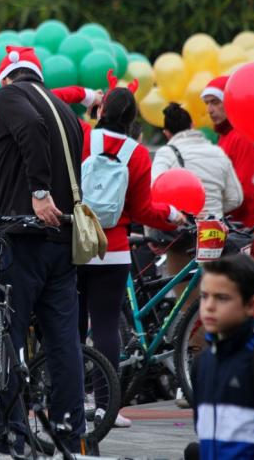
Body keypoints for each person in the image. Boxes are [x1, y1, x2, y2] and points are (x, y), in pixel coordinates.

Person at [0, 45, 84, 453]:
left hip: (24, 236)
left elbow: (26, 126)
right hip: (62, 240)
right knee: (64, 342)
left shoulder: (11, 95)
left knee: (10, 335)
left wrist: (39, 190)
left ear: (8, 78)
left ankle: (15, 432)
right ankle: (70, 433)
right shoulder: (65, 111)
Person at [79, 84, 185, 428]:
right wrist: (171, 214)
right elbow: (142, 211)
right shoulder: (137, 154)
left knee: (72, 324)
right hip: (114, 250)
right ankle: (106, 407)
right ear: (132, 118)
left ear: (101, 111)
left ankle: (70, 398)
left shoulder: (81, 138)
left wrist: (84, 94)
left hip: (76, 244)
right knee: (107, 327)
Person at [187, 254, 254, 460]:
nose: (209, 306)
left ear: (251, 305)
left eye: (222, 298)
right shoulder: (201, 364)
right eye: (205, 296)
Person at [152, 103, 243, 218]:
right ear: (193, 125)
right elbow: (235, 199)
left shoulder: (165, 153)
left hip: (182, 230)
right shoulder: (218, 152)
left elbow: (154, 192)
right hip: (216, 228)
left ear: (166, 133)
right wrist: (213, 210)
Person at [201, 77, 254, 228]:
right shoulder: (225, 136)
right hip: (234, 227)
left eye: (215, 102)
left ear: (230, 101)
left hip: (249, 231)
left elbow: (244, 192)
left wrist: (210, 208)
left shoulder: (242, 136)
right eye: (207, 103)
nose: (209, 109)